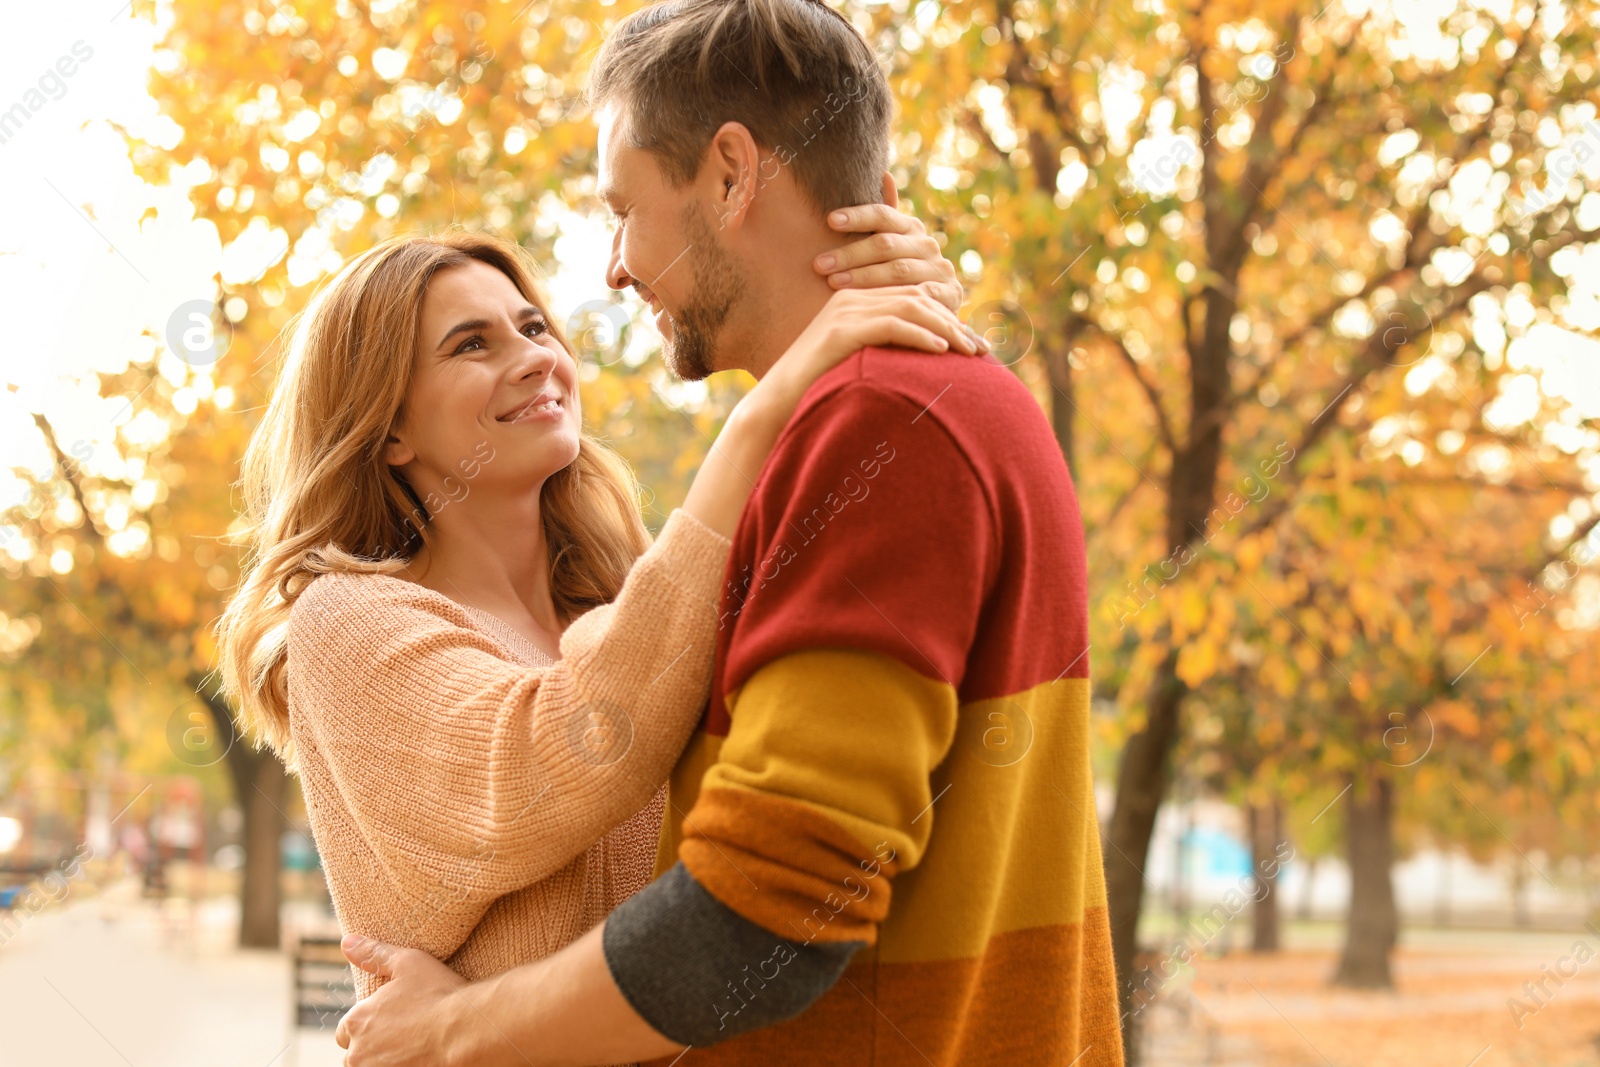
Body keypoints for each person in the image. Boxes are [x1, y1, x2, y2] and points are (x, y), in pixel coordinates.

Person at [334, 0, 1122, 1065]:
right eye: (471, 343)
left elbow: (765, 911)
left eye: (623, 207)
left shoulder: (876, 424)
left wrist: (451, 1030)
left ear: (731, 174)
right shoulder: (925, 407)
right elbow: (568, 748)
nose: (611, 269)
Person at [214, 221, 978, 1006]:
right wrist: (760, 417)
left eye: (534, 326)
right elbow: (553, 757)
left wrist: (907, 317)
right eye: (471, 344)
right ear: (391, 431)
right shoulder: (345, 623)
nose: (538, 357)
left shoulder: (626, 600)